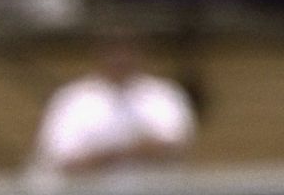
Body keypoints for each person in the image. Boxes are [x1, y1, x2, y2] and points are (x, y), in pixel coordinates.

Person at [30, 33, 195, 177]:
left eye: (127, 49)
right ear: (99, 53)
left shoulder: (164, 94)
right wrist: (130, 151)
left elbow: (172, 146)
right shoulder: (71, 98)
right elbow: (63, 161)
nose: (120, 57)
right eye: (112, 50)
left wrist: (102, 155)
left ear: (140, 52)